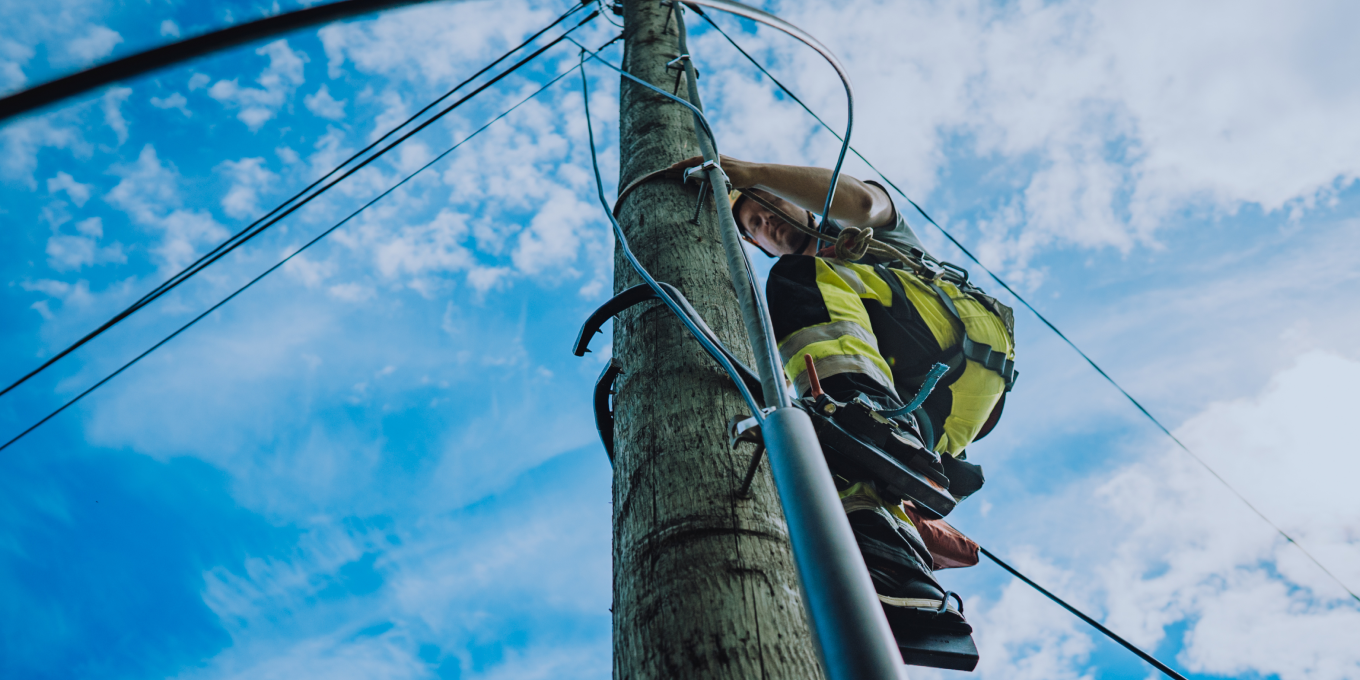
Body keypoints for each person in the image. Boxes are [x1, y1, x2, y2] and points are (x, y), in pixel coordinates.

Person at [672, 155, 1019, 643]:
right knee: (843, 462)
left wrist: (751, 176)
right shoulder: (817, 313)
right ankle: (900, 579)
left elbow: (861, 200)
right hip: (939, 416)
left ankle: (869, 420)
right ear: (753, 243)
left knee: (805, 288)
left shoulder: (860, 235)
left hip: (960, 338)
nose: (767, 220)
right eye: (754, 225)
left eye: (769, 206)